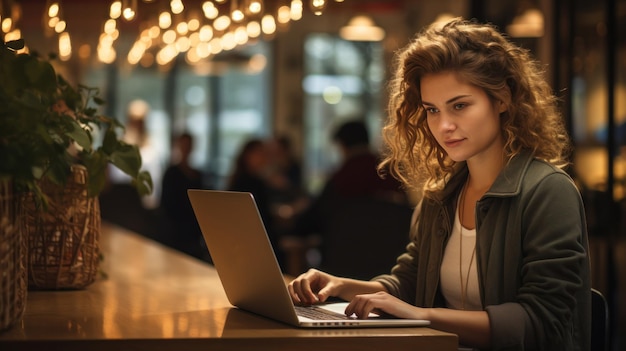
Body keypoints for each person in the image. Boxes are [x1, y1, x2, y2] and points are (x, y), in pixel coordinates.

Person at [288, 18, 590, 351]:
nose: (444, 125)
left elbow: (540, 323)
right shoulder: (442, 194)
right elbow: (411, 282)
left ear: (502, 99)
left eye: (460, 105)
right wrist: (340, 285)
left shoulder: (548, 192)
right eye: (432, 110)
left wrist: (420, 315)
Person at [160, 132, 209, 261]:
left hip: (193, 231)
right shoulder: (172, 173)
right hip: (176, 231)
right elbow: (167, 204)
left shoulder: (198, 174)